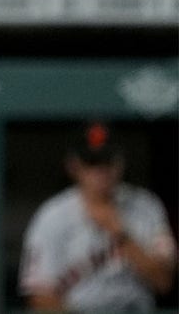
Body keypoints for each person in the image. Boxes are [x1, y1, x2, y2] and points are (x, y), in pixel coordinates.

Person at [20, 122, 177, 311]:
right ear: (73, 166)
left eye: (107, 161)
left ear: (120, 162)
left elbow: (164, 282)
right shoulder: (53, 216)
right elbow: (40, 297)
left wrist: (120, 234)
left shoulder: (146, 206)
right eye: (92, 163)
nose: (101, 172)